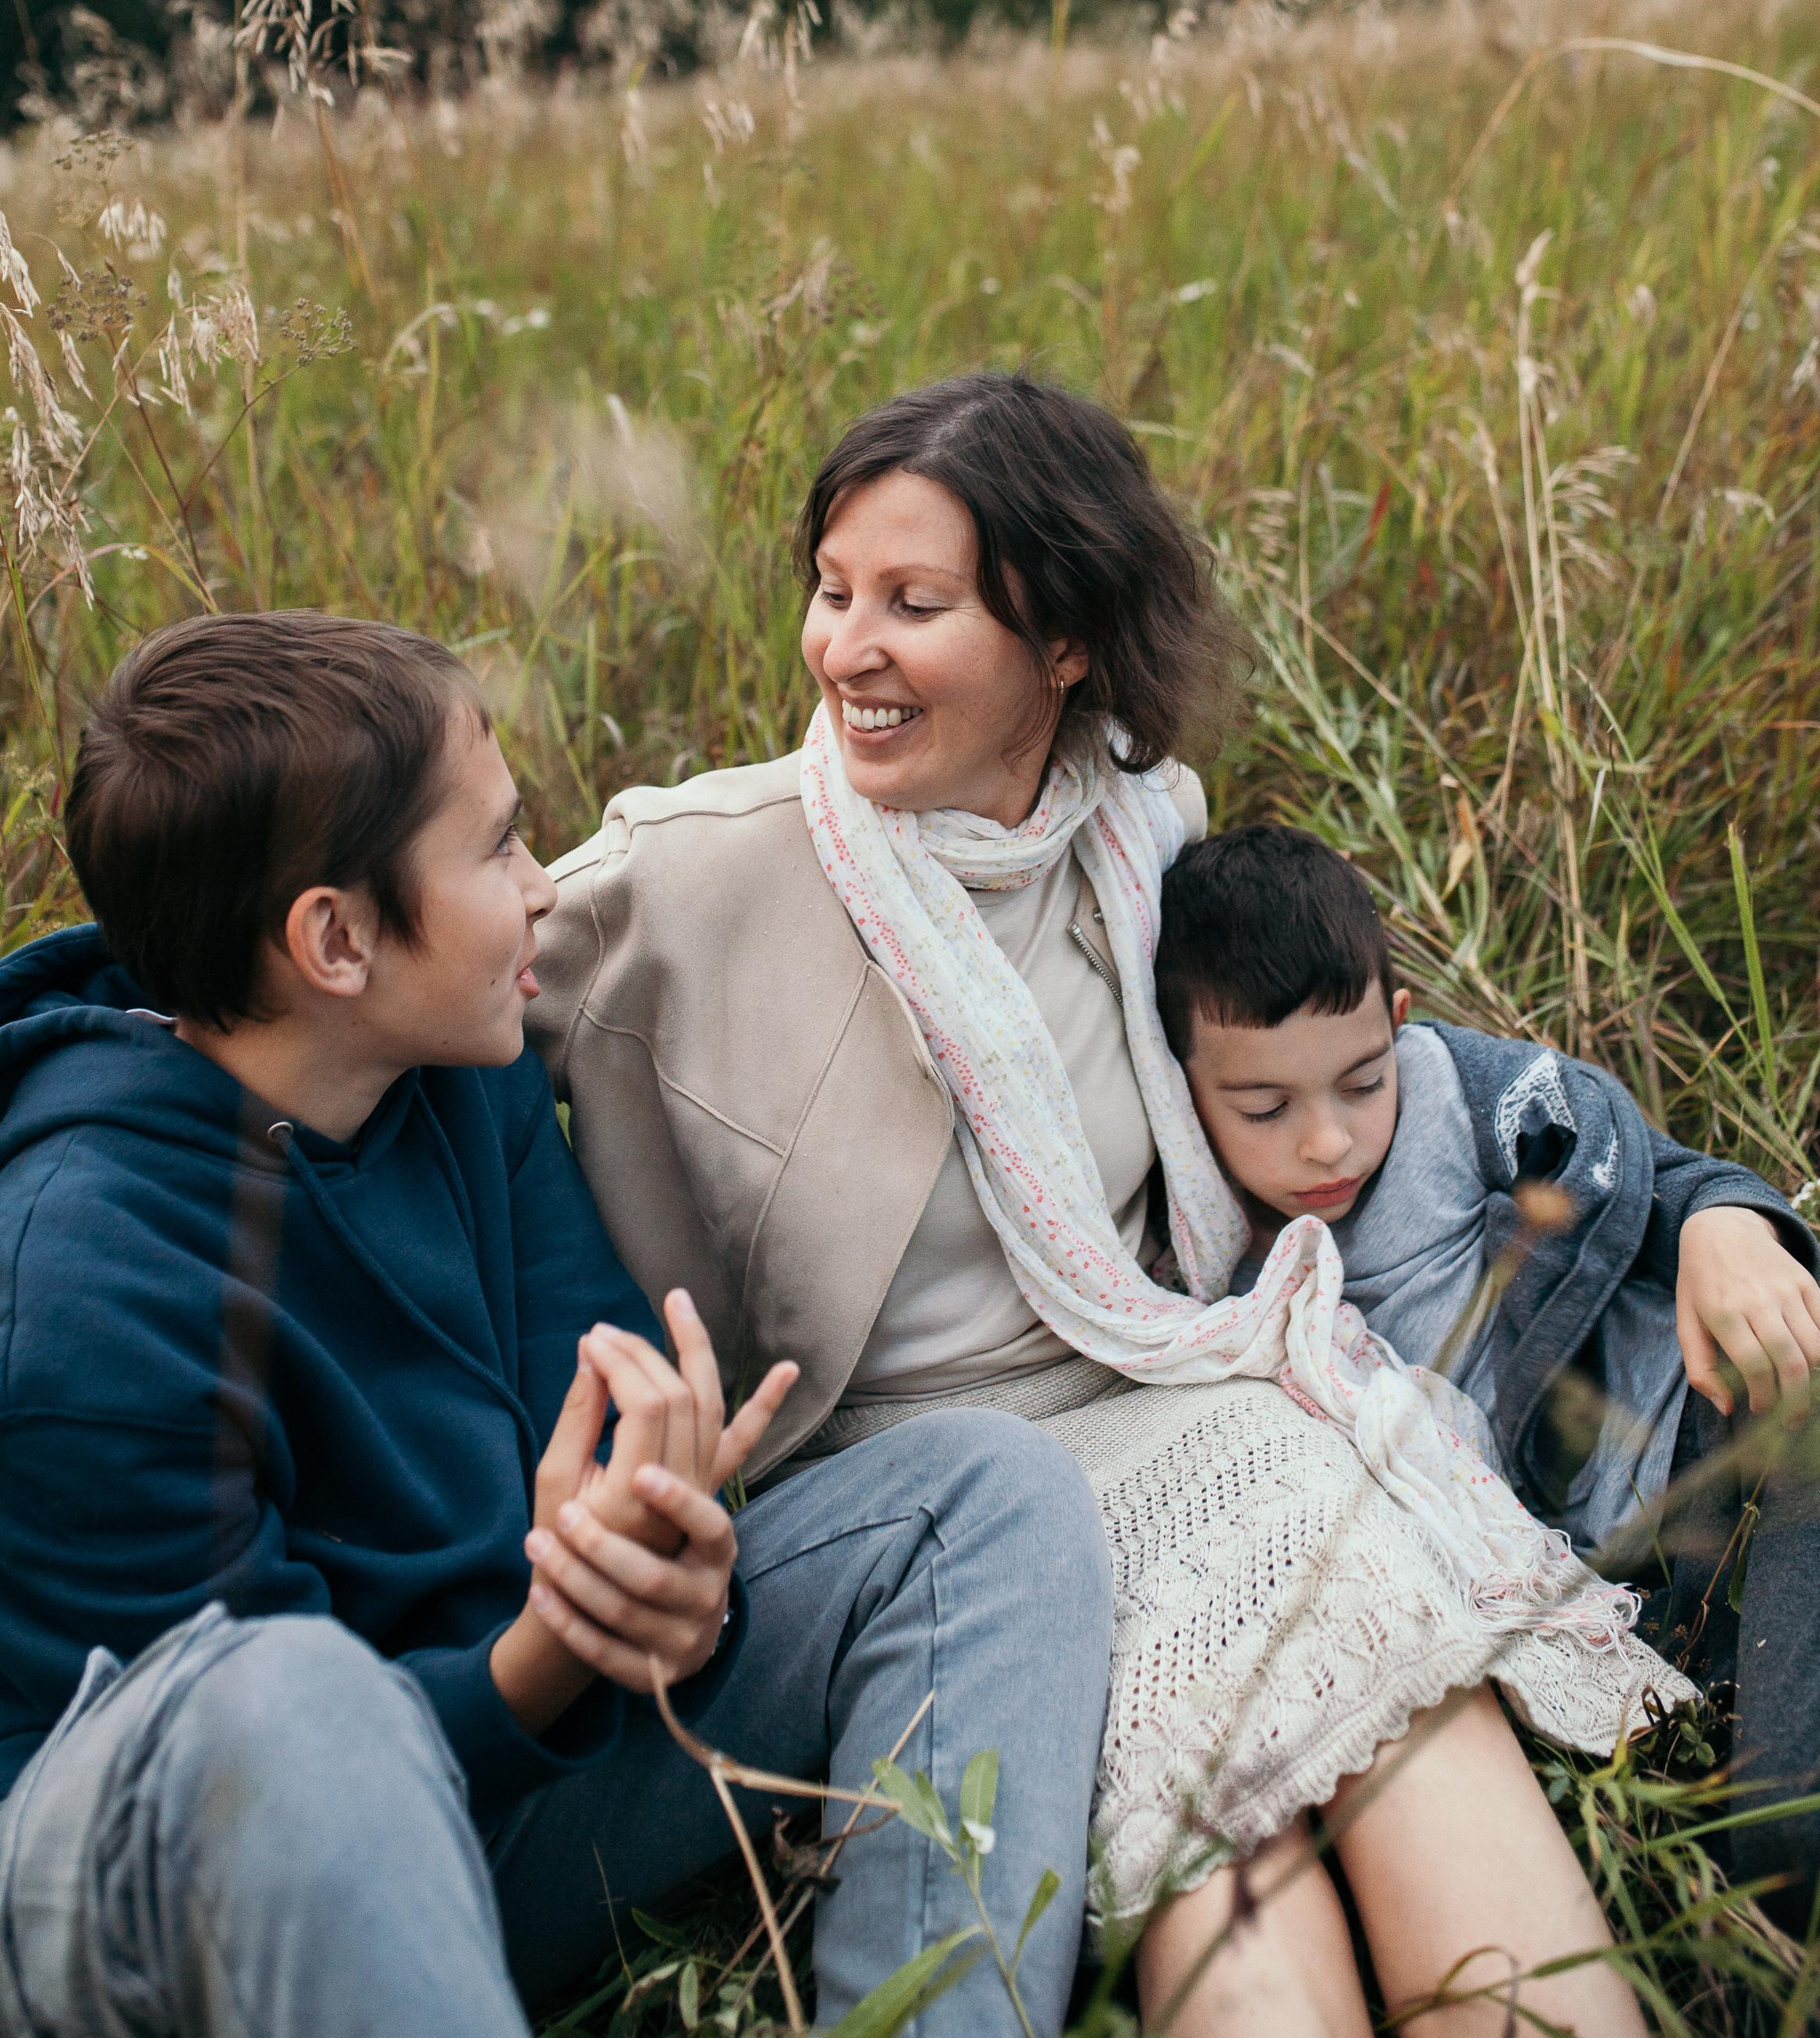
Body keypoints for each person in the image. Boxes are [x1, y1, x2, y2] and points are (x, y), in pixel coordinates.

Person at [532, 368, 1688, 2038]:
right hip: (912, 1488)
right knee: (1224, 1820)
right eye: (834, 590)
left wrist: (1708, 1197)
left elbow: (1351, 1044)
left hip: (1170, 1379)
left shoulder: (1142, 829)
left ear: (1063, 643)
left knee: (1392, 1686)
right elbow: (404, 978)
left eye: (913, 603)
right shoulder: (700, 869)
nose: (845, 644)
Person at [0, 610, 1114, 2038]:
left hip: (513, 1762)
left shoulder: (451, 1066)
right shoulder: (82, 1296)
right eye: (495, 849)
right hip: (204, 1922)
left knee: (982, 1496)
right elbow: (251, 1803)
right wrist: (559, 1648)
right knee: (293, 1699)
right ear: (334, 939)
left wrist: (669, 1562)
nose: (542, 890)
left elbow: (593, 1409)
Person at [1156, 818, 1820, 1931]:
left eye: (1357, 1081)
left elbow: (1638, 1173)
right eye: (1264, 1108)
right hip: (1633, 1565)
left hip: (1726, 1408)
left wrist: (1724, 1222)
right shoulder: (1206, 1262)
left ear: (1396, 1026)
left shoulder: (1451, 1097)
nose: (1326, 1142)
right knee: (1778, 1831)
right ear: (1178, 1089)